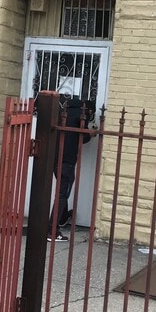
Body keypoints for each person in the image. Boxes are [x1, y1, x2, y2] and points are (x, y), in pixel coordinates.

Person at [48, 96, 93, 242]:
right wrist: (91, 134)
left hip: (55, 157)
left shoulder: (62, 112)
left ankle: (62, 218)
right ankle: (52, 231)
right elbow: (82, 137)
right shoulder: (82, 114)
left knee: (62, 190)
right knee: (63, 193)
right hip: (67, 160)